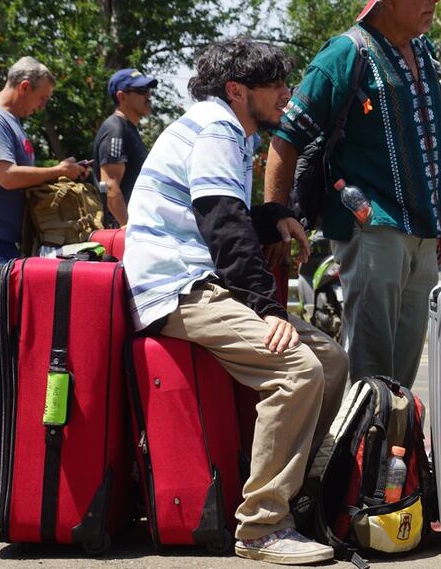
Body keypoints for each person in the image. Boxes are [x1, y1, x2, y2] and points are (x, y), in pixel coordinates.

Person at [123, 38, 348, 565]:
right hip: (177, 287)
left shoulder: (221, 128)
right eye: (276, 86)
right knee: (297, 369)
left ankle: (304, 495)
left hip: (201, 280)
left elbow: (226, 211)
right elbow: (221, 223)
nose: (287, 95)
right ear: (236, 91)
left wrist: (271, 217)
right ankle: (262, 526)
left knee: (332, 361)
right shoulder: (218, 127)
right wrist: (268, 310)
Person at [265, 0, 441, 388]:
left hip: (422, 232)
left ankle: (394, 449)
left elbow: (432, 143)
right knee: (370, 364)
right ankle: (359, 454)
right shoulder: (346, 54)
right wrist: (275, 216)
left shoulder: (425, 55)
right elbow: (286, 138)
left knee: (405, 368)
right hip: (371, 227)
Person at [0, 57, 88, 285]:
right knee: (8, 307)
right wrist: (58, 170)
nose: (42, 106)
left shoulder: (9, 120)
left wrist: (64, 172)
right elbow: (7, 176)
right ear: (24, 86)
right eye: (42, 98)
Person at [92, 68, 157, 227]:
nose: (148, 95)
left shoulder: (129, 128)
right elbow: (110, 185)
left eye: (148, 90)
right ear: (121, 96)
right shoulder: (116, 129)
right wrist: (128, 230)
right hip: (120, 231)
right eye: (141, 90)